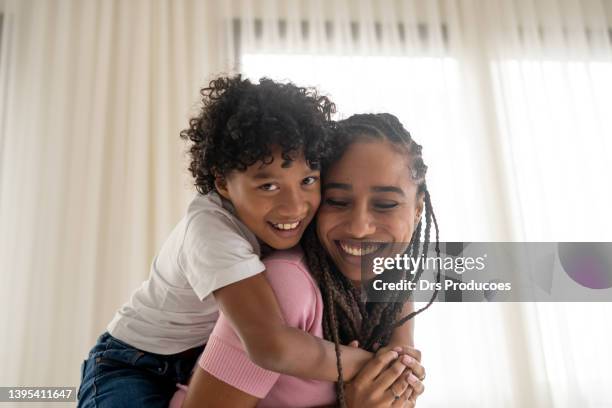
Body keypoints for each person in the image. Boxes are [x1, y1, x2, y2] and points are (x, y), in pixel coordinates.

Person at [77, 76, 376, 408]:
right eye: (269, 186)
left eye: (307, 179)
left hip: (193, 361)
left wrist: (403, 344)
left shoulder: (297, 218)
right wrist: (369, 365)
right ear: (221, 181)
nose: (295, 205)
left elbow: (403, 262)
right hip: (134, 363)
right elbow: (270, 345)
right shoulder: (210, 231)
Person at [172, 113, 440, 407]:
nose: (359, 227)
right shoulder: (286, 286)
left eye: (385, 204)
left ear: (417, 210)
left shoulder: (391, 280)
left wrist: (397, 367)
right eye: (337, 201)